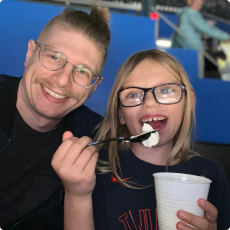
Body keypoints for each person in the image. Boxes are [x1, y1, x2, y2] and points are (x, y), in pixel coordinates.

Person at [52, 49, 230, 230]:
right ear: (120, 113)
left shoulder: (212, 176)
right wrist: (76, 195)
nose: (150, 102)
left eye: (166, 90)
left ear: (187, 103)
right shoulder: (93, 173)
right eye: (133, 94)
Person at [0, 6, 111, 230]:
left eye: (82, 71)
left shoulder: (97, 138)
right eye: (54, 56)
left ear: (94, 86)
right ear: (30, 53)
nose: (62, 81)